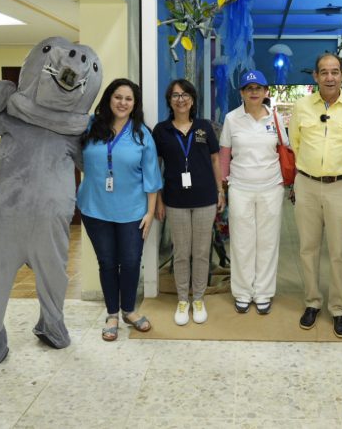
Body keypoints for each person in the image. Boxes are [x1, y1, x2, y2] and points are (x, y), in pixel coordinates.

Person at [289, 53, 342, 338]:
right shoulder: (301, 107)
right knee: (308, 249)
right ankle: (312, 302)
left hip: (341, 187)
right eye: (323, 72)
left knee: (339, 252)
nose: (329, 77)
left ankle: (338, 309)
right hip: (307, 185)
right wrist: (309, 172)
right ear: (315, 76)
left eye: (335, 72)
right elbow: (295, 144)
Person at [77, 78, 162, 341]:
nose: (122, 103)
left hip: (133, 211)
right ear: (108, 99)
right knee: (107, 262)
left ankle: (129, 310)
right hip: (95, 208)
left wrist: (149, 213)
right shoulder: (91, 126)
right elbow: (75, 156)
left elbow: (152, 176)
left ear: (134, 104)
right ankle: (112, 313)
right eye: (118, 97)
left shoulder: (141, 133)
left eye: (128, 99)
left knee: (130, 261)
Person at [153, 79, 225, 326]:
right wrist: (159, 200)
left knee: (202, 252)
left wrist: (220, 191)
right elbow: (156, 168)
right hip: (175, 200)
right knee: (182, 252)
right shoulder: (161, 130)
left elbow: (215, 160)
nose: (180, 99)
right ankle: (183, 300)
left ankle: (198, 299)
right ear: (170, 101)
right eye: (175, 95)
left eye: (185, 95)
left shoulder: (204, 127)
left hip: (205, 198)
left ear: (193, 100)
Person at [219, 70, 287, 315]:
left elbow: (284, 150)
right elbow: (225, 155)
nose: (254, 92)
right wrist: (223, 188)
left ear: (266, 92)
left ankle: (263, 293)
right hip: (240, 188)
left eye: (258, 88)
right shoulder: (231, 119)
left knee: (267, 242)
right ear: (242, 93)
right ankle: (242, 292)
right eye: (249, 88)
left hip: (271, 187)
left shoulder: (276, 119)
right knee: (242, 241)